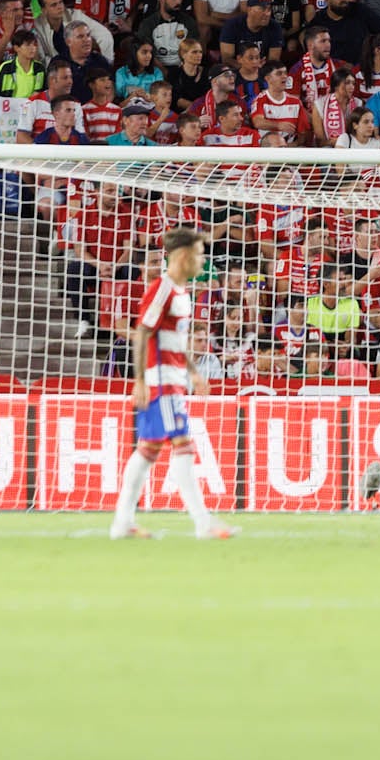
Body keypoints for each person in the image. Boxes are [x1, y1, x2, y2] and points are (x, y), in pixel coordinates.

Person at [110, 228, 237, 541]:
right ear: (182, 257)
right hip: (162, 381)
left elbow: (175, 340)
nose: (202, 261)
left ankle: (122, 522)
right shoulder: (163, 289)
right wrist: (139, 380)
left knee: (148, 450)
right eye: (199, 254)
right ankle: (203, 523)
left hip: (175, 378)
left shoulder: (181, 293)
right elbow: (143, 331)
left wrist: (193, 371)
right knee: (182, 446)